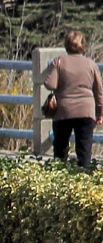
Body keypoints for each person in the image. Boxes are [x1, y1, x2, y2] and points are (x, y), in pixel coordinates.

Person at [43, 29, 103, 169]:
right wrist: (100, 113)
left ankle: (60, 175)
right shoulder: (91, 64)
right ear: (83, 45)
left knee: (60, 149)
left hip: (63, 111)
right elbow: (99, 92)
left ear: (66, 45)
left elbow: (50, 84)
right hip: (86, 111)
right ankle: (84, 175)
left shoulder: (59, 61)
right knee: (84, 149)